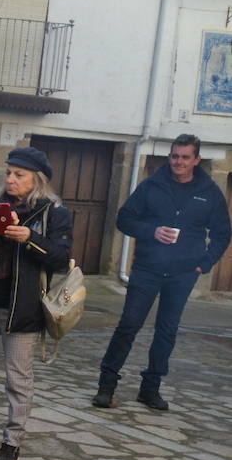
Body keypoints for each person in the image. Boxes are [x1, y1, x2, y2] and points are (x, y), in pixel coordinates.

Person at [0, 147, 73, 460]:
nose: (10, 179)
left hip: (22, 310)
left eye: (18, 175)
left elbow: (62, 258)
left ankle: (11, 443)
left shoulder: (55, 213)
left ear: (37, 180)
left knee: (18, 381)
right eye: (8, 173)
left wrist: (30, 239)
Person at [93, 134, 230, 411]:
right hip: (147, 268)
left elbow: (222, 232)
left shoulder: (209, 191)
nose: (178, 162)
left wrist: (205, 263)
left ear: (196, 160)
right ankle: (106, 386)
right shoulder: (152, 185)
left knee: (167, 331)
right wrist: (151, 231)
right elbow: (124, 218)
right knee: (129, 325)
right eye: (174, 156)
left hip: (183, 273)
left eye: (184, 157)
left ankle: (150, 388)